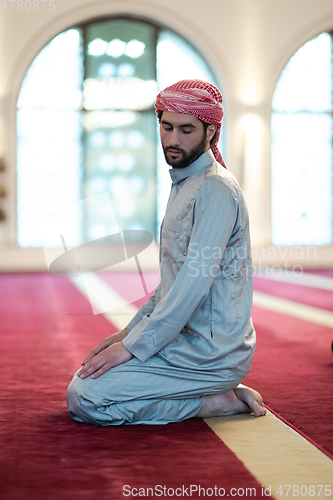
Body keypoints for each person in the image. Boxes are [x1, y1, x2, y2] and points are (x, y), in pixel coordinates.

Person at [66, 79, 266, 425]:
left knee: (87, 398)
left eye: (186, 130)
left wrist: (132, 348)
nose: (173, 140)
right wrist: (130, 332)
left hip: (211, 352)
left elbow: (192, 284)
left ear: (211, 131)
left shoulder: (215, 190)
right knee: (86, 380)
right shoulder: (186, 184)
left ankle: (213, 402)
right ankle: (212, 394)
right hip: (182, 340)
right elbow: (170, 284)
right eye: (166, 127)